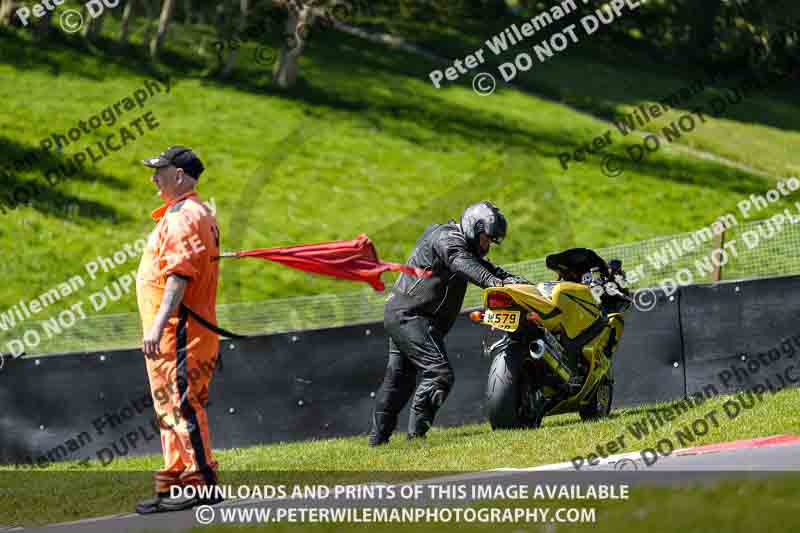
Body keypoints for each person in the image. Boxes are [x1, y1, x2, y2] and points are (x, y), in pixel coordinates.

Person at [368, 201, 528, 446]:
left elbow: (488, 268)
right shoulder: (447, 238)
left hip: (406, 314)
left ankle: (377, 442)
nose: (487, 246)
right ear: (475, 227)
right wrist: (496, 284)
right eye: (486, 239)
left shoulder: (462, 246)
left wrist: (522, 284)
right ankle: (416, 439)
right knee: (439, 374)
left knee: (399, 381)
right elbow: (462, 263)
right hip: (412, 316)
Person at [135, 146, 223, 513]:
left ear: (180, 176)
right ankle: (175, 482)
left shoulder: (184, 217)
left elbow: (178, 277)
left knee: (184, 409)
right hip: (173, 337)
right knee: (169, 410)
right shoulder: (184, 214)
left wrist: (156, 327)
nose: (154, 177)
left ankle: (202, 484)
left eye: (161, 170)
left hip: (181, 333)